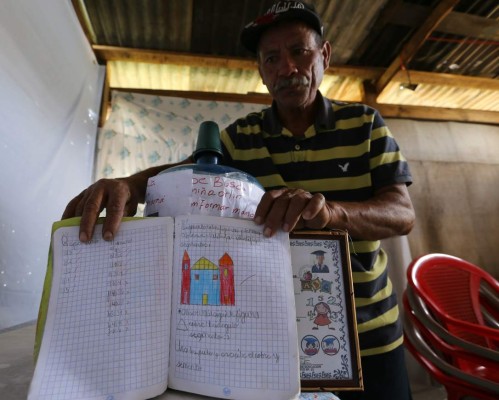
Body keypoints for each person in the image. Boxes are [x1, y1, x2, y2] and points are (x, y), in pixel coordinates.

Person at [62, 2, 416, 399]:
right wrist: (128, 184)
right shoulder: (239, 138)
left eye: (299, 51)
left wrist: (332, 212)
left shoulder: (365, 125)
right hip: (272, 337)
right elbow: (184, 176)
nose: (287, 67)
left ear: (324, 56)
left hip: (369, 334)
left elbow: (401, 215)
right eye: (271, 58)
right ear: (261, 73)